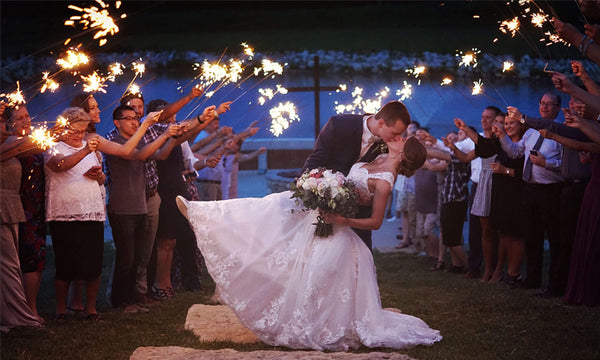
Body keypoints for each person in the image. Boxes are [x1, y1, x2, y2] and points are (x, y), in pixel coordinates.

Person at [177, 136, 441, 350]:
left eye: (402, 140)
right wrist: (324, 185)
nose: (399, 138)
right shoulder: (380, 156)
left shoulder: (385, 182)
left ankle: (311, 322)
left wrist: (340, 216)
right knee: (273, 209)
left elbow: (374, 222)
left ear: (403, 155)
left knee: (307, 273)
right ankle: (206, 215)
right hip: (321, 215)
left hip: (338, 231)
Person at [303, 100, 411, 250]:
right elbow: (315, 160)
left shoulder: (390, 146)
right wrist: (308, 191)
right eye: (395, 133)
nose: (397, 137)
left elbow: (382, 183)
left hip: (360, 217)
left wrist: (369, 200)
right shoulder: (339, 124)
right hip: (324, 207)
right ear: (380, 123)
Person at [43, 107, 105, 322]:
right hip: (65, 214)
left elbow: (103, 179)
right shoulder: (51, 147)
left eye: (82, 131)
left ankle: (91, 308)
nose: (79, 135)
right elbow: (61, 165)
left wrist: (98, 175)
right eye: (74, 131)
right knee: (66, 263)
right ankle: (61, 308)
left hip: (91, 211)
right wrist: (86, 150)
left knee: (94, 262)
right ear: (62, 128)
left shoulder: (93, 150)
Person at [1, 104, 43, 331]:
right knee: (8, 263)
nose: (4, 128)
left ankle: (12, 314)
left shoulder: (12, 144)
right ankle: (18, 316)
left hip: (12, 206)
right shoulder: (6, 144)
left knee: (10, 263)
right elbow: (17, 146)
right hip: (3, 205)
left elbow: (29, 148)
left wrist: (53, 134)